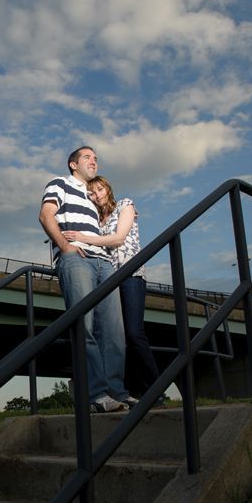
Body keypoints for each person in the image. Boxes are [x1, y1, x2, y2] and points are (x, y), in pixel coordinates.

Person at [39, 146, 129, 412]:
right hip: (77, 260)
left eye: (96, 158)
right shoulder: (60, 184)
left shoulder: (93, 197)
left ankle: (117, 392)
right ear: (73, 164)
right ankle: (96, 395)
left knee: (114, 332)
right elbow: (46, 215)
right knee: (85, 326)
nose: (94, 161)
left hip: (104, 263)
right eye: (87, 157)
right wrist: (65, 248)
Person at [63, 175, 163, 407]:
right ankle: (123, 391)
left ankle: (156, 391)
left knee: (134, 333)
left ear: (107, 188)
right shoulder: (96, 219)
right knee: (115, 337)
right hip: (109, 278)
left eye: (100, 189)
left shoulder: (125, 205)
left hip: (130, 274)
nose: (97, 195)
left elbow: (118, 239)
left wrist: (82, 237)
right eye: (92, 192)